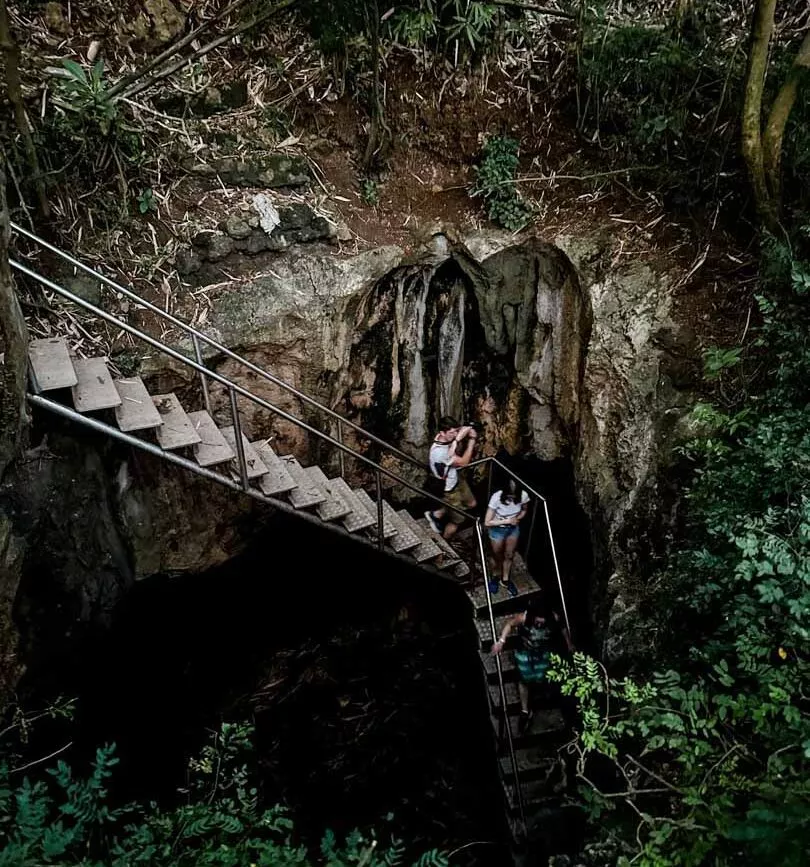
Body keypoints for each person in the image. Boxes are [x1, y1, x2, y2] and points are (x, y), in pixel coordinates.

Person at [491, 598, 573, 732]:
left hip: (542, 651)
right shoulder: (524, 618)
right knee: (525, 679)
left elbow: (563, 628)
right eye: (537, 621)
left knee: (542, 674)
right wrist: (501, 641)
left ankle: (541, 691)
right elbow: (510, 624)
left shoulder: (554, 618)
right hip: (525, 652)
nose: (540, 624)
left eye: (542, 621)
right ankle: (524, 710)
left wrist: (569, 644)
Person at [424, 416, 478, 539]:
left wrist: (462, 432)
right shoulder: (440, 453)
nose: (454, 434)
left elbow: (453, 446)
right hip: (449, 490)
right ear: (442, 432)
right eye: (452, 432)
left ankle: (437, 514)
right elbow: (464, 462)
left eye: (456, 431)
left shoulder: (441, 439)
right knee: (457, 521)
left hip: (456, 479)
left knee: (472, 503)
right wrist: (472, 440)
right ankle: (446, 543)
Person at [484, 478, 530, 597]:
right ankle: (495, 575)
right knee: (497, 554)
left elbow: (525, 509)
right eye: (510, 495)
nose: (512, 497)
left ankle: (505, 579)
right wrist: (507, 520)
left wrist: (518, 518)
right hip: (497, 530)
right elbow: (487, 522)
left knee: (509, 554)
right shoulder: (496, 497)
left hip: (512, 529)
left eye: (514, 495)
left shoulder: (523, 495)